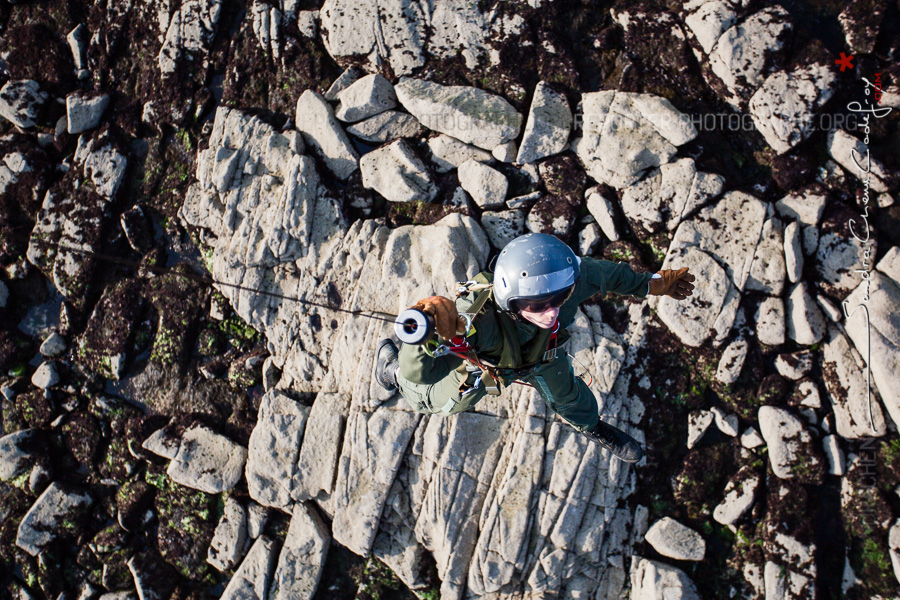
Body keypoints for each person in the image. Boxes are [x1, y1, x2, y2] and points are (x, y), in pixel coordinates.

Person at [375, 233, 695, 463]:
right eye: (538, 306)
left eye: (559, 299)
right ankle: (390, 370)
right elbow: (423, 373)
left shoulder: (561, 280)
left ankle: (591, 426)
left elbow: (606, 275)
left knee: (568, 395)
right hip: (488, 365)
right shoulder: (476, 322)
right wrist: (426, 336)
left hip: (543, 355)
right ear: (510, 301)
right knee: (434, 401)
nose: (552, 311)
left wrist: (654, 283)